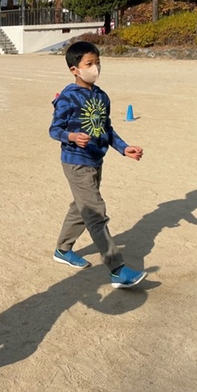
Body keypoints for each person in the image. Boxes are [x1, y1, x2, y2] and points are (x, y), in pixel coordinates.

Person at [49, 41, 146, 289]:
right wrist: (72, 136)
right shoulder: (68, 97)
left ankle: (62, 249)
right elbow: (54, 129)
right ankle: (117, 269)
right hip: (76, 162)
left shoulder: (102, 96)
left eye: (98, 63)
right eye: (89, 64)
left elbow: (107, 129)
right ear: (74, 69)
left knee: (81, 207)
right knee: (95, 211)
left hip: (95, 160)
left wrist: (124, 148)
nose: (95, 68)